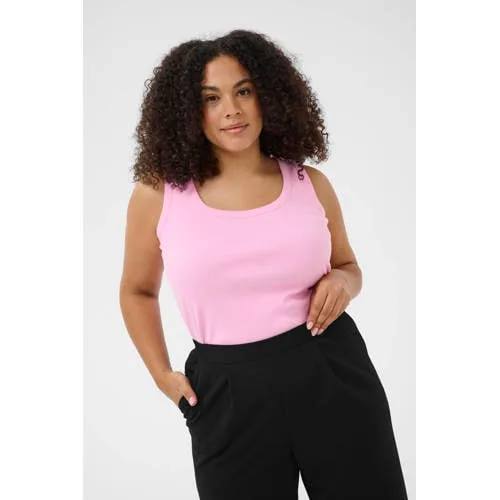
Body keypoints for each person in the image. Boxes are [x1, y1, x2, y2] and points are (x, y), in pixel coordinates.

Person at [119, 29, 408, 500]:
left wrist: (343, 281)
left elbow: (348, 266)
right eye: (211, 98)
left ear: (268, 96)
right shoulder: (159, 194)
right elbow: (137, 290)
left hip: (329, 368)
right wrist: (161, 374)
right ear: (188, 111)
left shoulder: (310, 183)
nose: (231, 110)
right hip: (225, 391)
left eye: (244, 91)